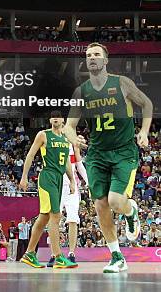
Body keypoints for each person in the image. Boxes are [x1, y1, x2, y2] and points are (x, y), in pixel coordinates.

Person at [63, 42, 153, 273]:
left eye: (96, 55)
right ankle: (116, 256)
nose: (92, 58)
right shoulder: (81, 91)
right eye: (88, 55)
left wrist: (143, 131)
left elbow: (147, 103)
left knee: (115, 201)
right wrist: (74, 138)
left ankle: (131, 211)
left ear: (105, 60)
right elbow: (69, 126)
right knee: (100, 205)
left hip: (123, 151)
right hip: (97, 154)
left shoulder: (121, 83)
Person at [20, 112, 77, 269]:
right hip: (47, 177)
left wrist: (72, 180)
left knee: (44, 217)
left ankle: (29, 253)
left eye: (58, 116)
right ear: (51, 120)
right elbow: (31, 155)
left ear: (63, 120)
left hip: (59, 178)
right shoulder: (43, 135)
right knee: (56, 215)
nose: (56, 119)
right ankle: (58, 257)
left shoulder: (66, 139)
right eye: (53, 117)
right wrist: (24, 176)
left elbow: (66, 162)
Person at [47, 141, 88, 266]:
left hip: (72, 187)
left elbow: (79, 165)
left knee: (72, 219)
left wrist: (88, 182)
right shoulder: (51, 142)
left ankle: (71, 253)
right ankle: (54, 254)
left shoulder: (73, 145)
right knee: (53, 220)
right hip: (56, 186)